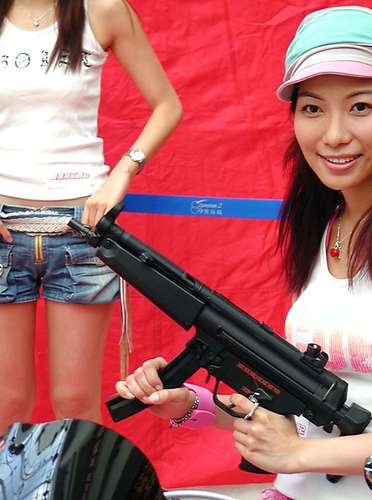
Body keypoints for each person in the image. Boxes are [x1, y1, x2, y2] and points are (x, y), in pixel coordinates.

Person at [115, 6, 372, 499]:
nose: (333, 134)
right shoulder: (331, 222)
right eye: (312, 109)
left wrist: (298, 455)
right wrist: (190, 405)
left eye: (360, 107)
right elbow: (308, 422)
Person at [0, 0, 182, 432]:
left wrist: (123, 171)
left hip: (81, 229)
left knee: (75, 402)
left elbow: (167, 104)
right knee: (6, 401)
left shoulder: (102, 10)